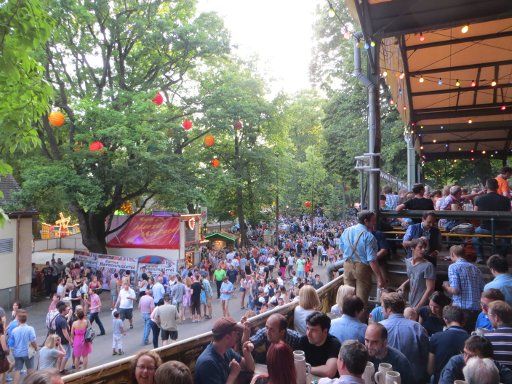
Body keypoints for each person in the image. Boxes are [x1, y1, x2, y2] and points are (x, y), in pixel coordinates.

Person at [379, 292, 429, 383]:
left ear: (389, 309)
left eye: (382, 307)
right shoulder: (418, 328)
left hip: (384, 378)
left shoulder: (379, 327)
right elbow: (425, 356)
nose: (381, 310)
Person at [339, 211, 385, 306]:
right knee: (361, 301)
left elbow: (342, 248)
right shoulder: (368, 236)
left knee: (347, 298)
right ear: (365, 221)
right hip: (362, 268)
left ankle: (348, 317)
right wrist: (379, 277)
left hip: (347, 265)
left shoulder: (347, 231)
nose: (374, 222)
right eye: (373, 220)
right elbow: (372, 260)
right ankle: (359, 319)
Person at [194, 317, 255, 384]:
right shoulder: (207, 363)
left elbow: (250, 368)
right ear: (227, 337)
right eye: (236, 334)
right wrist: (233, 375)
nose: (238, 336)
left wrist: (246, 352)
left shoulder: (227, 350)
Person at [443, 244, 484, 332]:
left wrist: (446, 286)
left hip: (461, 310)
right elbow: (482, 290)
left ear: (453, 254)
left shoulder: (453, 267)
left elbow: (455, 290)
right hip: (476, 310)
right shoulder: (476, 268)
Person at [439, 335, 512, 384]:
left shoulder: (494, 367)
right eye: (464, 353)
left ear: (487, 359)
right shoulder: (455, 361)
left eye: (472, 356)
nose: (466, 358)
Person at [428, 305, 469, 384]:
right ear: (463, 321)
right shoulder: (472, 341)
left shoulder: (435, 337)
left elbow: (430, 370)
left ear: (445, 320)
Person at [473, 179, 512, 263]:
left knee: (475, 235)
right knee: (508, 237)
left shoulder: (479, 199)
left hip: (485, 229)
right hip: (503, 230)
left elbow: (474, 214)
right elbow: (509, 214)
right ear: (497, 187)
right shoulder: (506, 200)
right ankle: (501, 256)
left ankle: (480, 257)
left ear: (486, 187)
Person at [298, 312, 341, 379]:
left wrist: (305, 368)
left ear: (325, 331)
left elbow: (330, 372)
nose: (308, 334)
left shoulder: (334, 344)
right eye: (307, 328)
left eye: (313, 330)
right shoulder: (303, 340)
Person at [398, 238, 436, 311]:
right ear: (412, 248)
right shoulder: (408, 262)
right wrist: (404, 284)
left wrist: (418, 306)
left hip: (423, 303)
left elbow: (430, 289)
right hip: (411, 298)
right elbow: (412, 276)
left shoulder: (428, 266)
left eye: (424, 248)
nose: (423, 250)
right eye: (420, 247)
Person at [10, 310, 37, 384]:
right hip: (28, 353)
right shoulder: (30, 329)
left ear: (18, 319)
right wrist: (36, 348)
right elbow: (33, 341)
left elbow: (11, 343)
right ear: (26, 319)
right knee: (30, 369)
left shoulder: (14, 330)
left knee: (17, 370)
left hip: (17, 353)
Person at [485, 300, 512, 368]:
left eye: (488, 315)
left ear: (496, 317)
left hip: (495, 377)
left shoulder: (486, 338)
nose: (488, 318)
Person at [54, 302, 71, 374]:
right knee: (66, 355)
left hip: (58, 338)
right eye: (67, 309)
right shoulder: (62, 320)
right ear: (63, 311)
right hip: (64, 340)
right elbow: (65, 332)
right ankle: (62, 369)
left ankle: (58, 369)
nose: (68, 310)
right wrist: (70, 340)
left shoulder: (58, 318)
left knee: (60, 355)